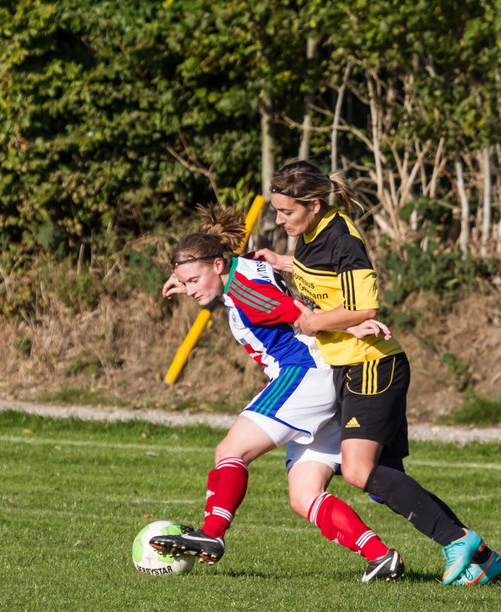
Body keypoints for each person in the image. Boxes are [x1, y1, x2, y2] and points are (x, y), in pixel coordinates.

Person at [253, 160, 501, 586]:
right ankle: (480, 557)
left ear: (314, 205)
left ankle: (455, 540)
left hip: (372, 366)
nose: (279, 219)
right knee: (382, 482)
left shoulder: (342, 239)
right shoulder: (313, 237)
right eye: (277, 211)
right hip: (350, 367)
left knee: (357, 470)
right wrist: (284, 262)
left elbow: (365, 307)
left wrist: (315, 322)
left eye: (287, 212)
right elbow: (326, 283)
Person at [150, 205, 405, 583]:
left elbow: (302, 315)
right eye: (184, 283)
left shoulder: (246, 290)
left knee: (230, 451)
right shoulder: (242, 265)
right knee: (304, 496)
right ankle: (380, 556)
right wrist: (183, 277)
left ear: (218, 265)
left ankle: (212, 534)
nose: (190, 290)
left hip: (304, 373)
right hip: (326, 378)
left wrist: (352, 327)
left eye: (193, 281)